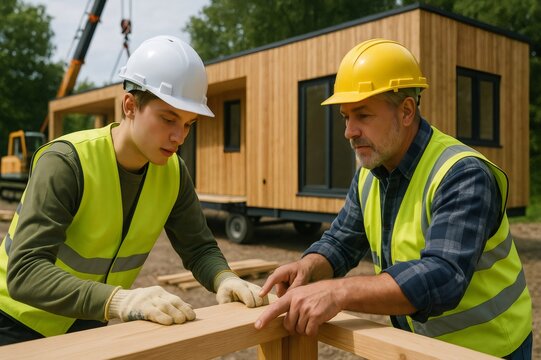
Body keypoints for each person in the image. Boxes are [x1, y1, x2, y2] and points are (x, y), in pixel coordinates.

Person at [255, 38, 532, 359]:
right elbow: (343, 241)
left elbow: (443, 276)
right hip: (418, 348)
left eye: (362, 115)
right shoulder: (369, 172)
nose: (349, 131)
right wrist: (308, 267)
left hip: (489, 350)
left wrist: (337, 291)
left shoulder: (462, 173)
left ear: (406, 111)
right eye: (345, 117)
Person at [0, 35, 267, 346]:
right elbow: (25, 272)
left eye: (189, 124)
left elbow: (199, 249)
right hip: (13, 322)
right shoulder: (66, 162)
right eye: (168, 119)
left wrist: (224, 278)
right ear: (130, 105)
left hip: (85, 324)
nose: (179, 137)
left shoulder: (174, 173)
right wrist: (120, 301)